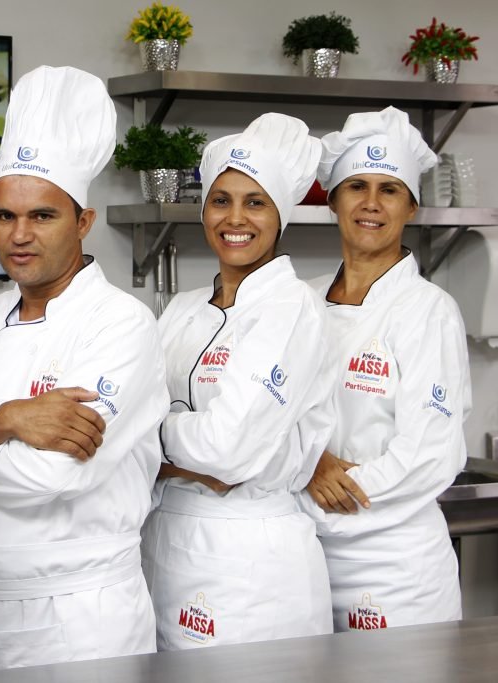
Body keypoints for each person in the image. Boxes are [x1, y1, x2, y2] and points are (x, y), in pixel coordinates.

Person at [0, 65, 169, 672]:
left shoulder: (121, 324)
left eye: (43, 216)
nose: (19, 235)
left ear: (83, 221)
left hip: (83, 617)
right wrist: (7, 419)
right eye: (4, 215)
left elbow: (58, 474)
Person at [140, 113, 335, 650]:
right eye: (221, 200)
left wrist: (151, 439)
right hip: (164, 543)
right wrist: (183, 450)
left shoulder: (289, 308)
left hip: (253, 560)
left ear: (280, 216)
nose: (235, 218)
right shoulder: (180, 311)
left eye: (256, 202)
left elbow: (227, 452)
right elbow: (131, 419)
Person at [300, 106, 471, 632]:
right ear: (332, 200)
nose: (371, 204)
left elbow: (428, 454)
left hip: (396, 569)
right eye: (356, 187)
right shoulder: (299, 303)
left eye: (389, 189)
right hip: (302, 559)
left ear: (411, 208)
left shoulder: (428, 310)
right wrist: (311, 465)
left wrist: (317, 488)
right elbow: (271, 419)